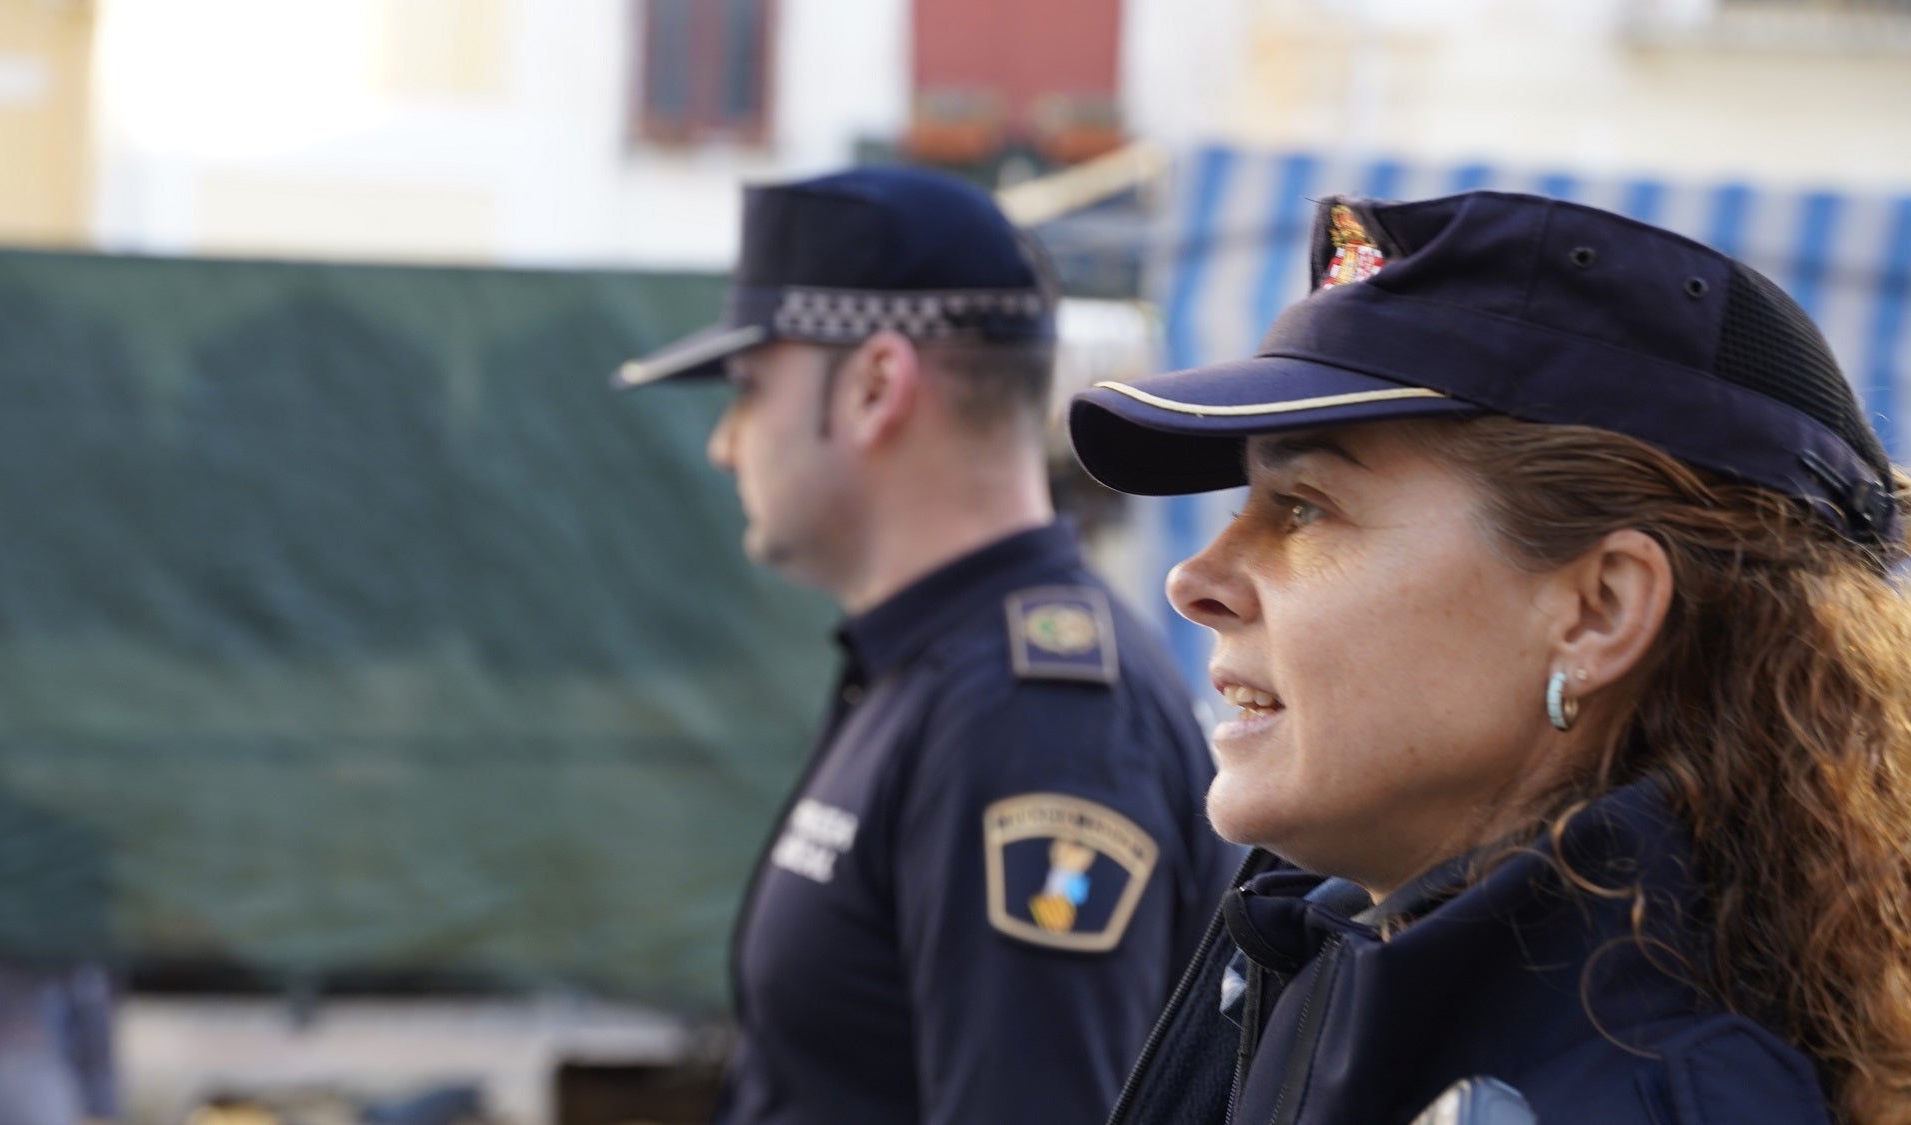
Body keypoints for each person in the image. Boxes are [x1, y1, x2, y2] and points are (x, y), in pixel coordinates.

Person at [1065, 190, 1911, 1124]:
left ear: (1597, 611)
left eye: (1305, 506)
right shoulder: (1321, 952)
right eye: (1247, 505)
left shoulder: (1643, 1096)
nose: (1197, 578)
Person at [613, 166, 1236, 1124]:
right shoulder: (940, 669)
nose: (725, 443)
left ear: (873, 386)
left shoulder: (1031, 719)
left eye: (747, 389)